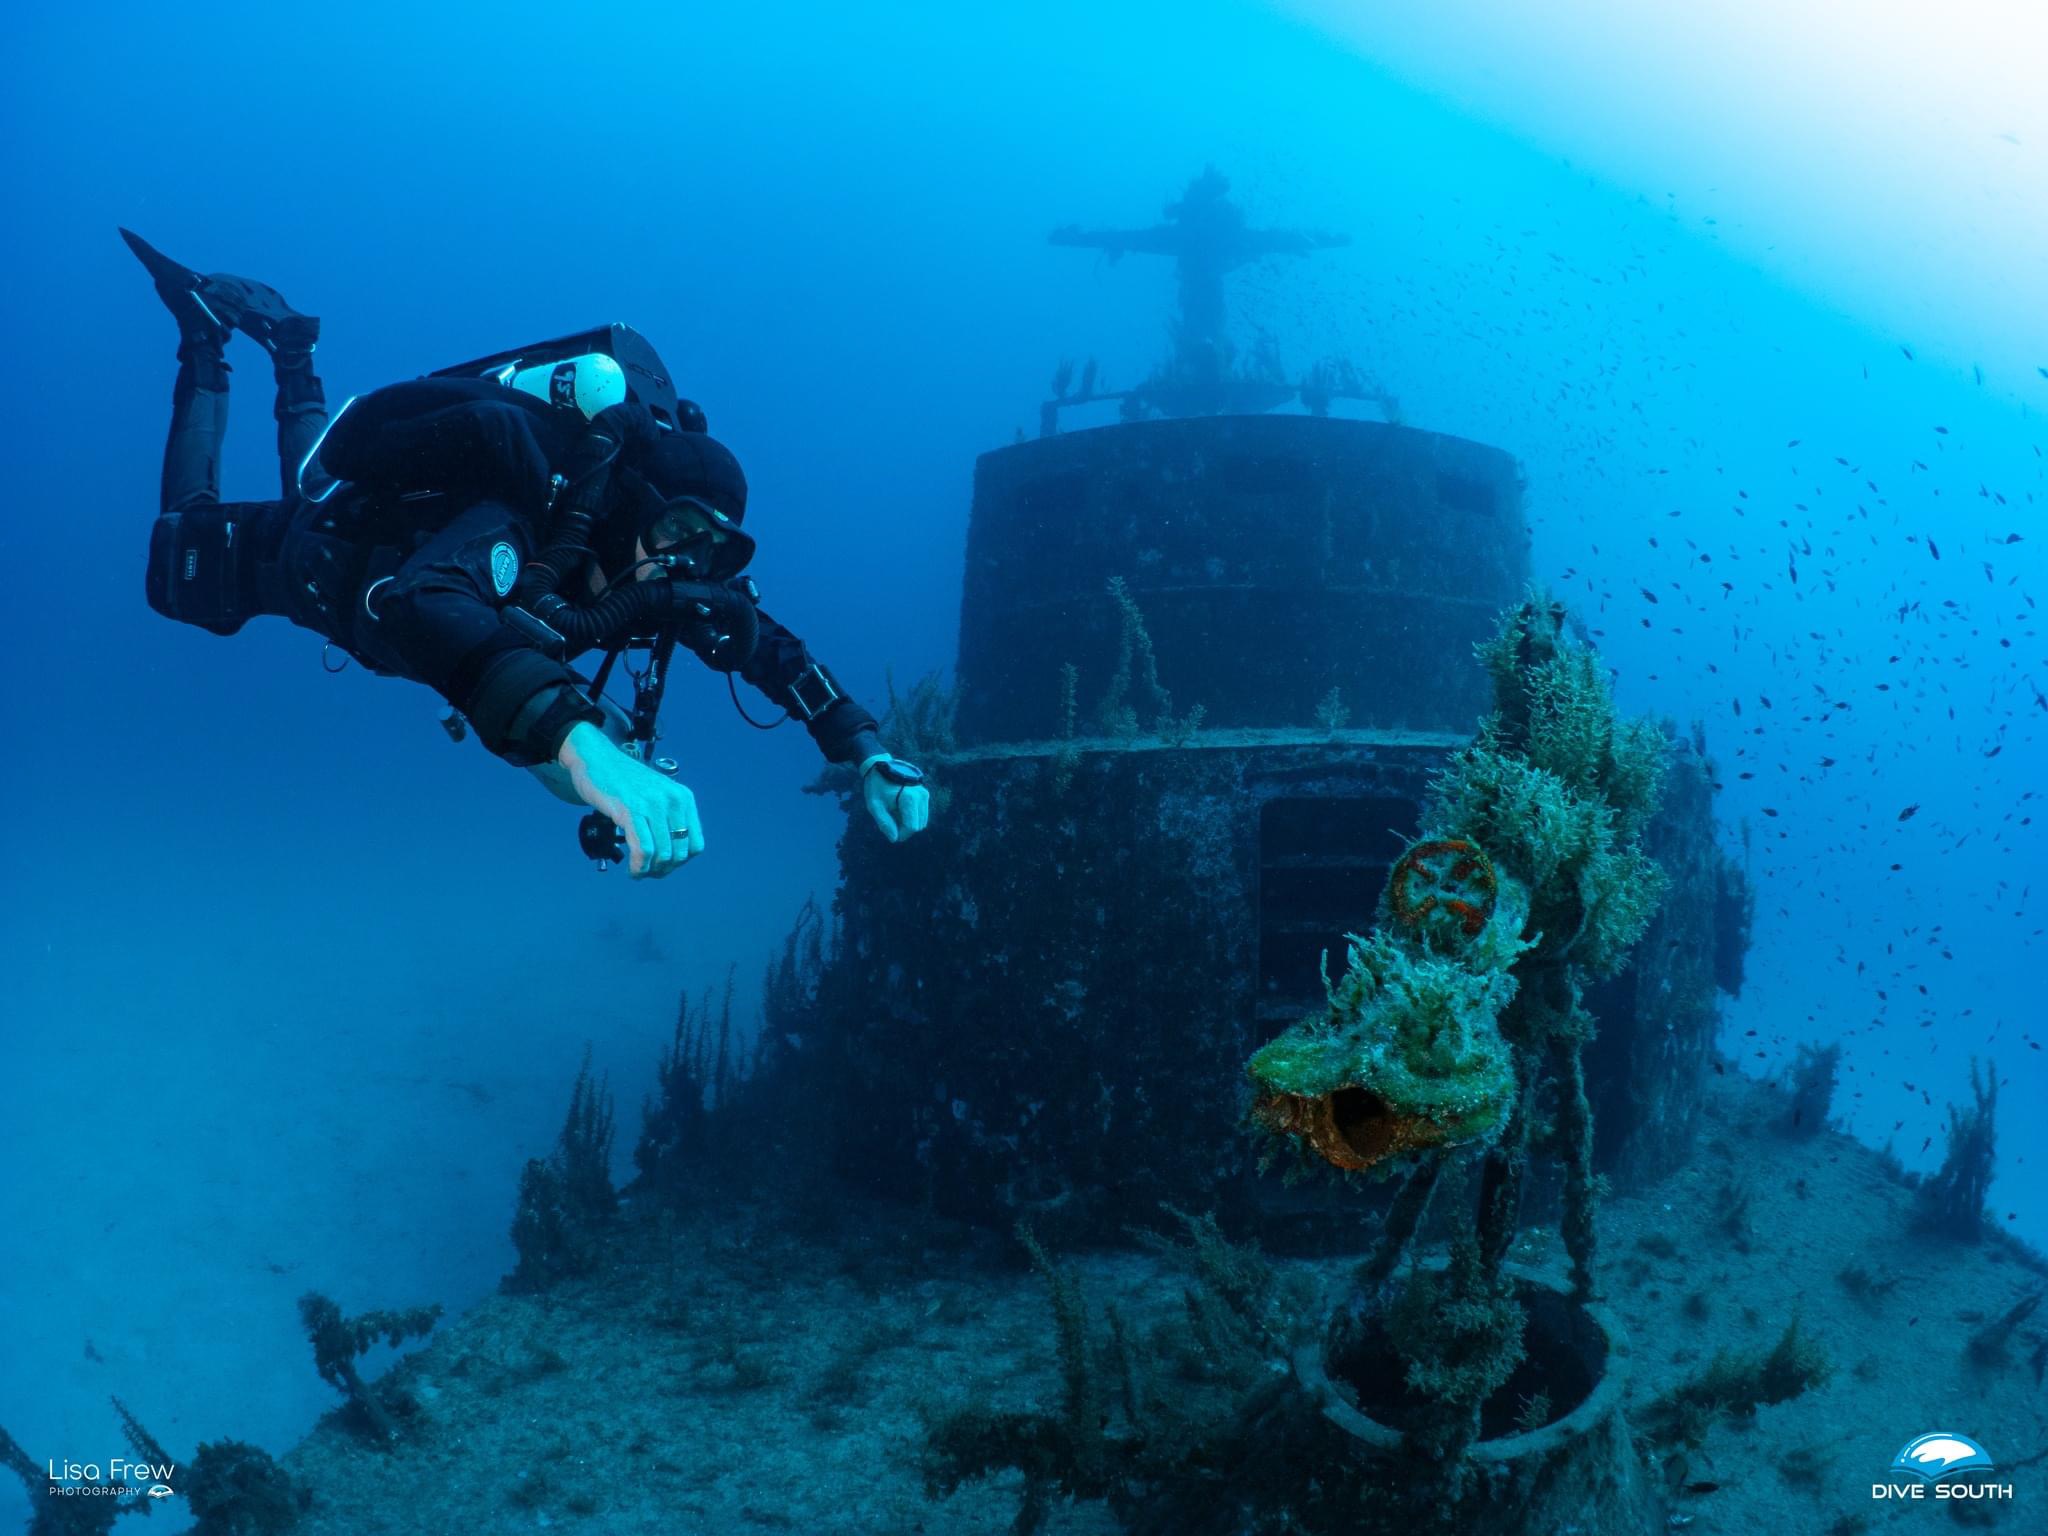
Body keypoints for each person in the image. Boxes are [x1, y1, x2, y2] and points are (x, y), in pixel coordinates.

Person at [123, 229, 931, 877]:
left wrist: (866, 752)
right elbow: (424, 600)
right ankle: (207, 341)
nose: (690, 567)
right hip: (309, 563)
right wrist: (587, 754)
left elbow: (771, 649)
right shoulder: (526, 514)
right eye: (682, 532)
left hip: (349, 573)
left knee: (310, 484)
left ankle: (293, 352)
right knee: (183, 542)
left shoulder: (655, 570)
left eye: (714, 551)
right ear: (637, 510)